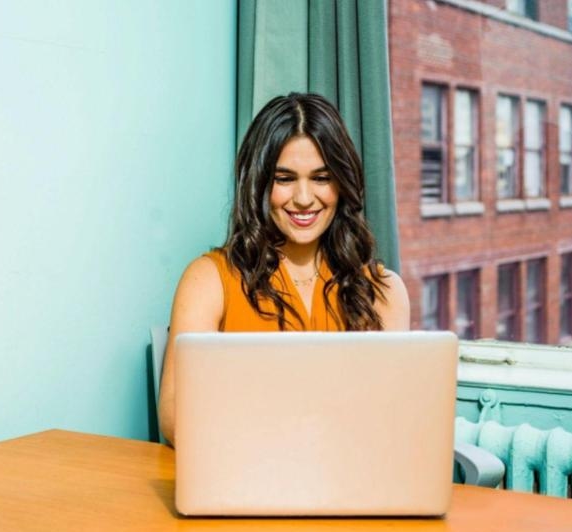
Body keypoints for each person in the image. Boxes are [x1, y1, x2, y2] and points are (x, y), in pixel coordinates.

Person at [159, 93, 410, 446]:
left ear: (342, 183)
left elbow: (392, 419)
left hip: (351, 474)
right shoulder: (208, 281)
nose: (304, 198)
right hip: (245, 469)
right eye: (284, 178)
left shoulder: (385, 290)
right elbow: (175, 419)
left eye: (321, 178)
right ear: (260, 183)